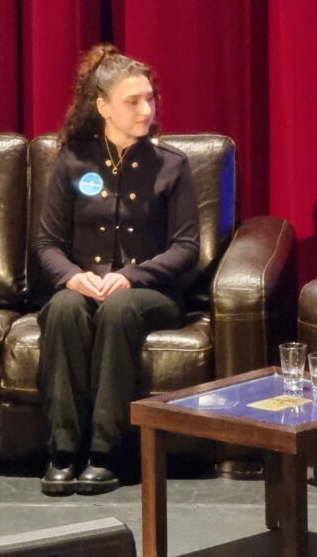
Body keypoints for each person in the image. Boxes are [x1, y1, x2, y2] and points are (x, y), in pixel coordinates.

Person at [35, 44, 200, 495]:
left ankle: (105, 452)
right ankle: (63, 450)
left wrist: (131, 276)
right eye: (133, 101)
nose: (146, 109)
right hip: (84, 284)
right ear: (104, 107)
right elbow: (47, 244)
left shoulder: (171, 165)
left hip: (151, 292)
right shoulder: (74, 161)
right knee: (64, 308)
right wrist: (71, 276)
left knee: (120, 308)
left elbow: (187, 248)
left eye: (149, 98)